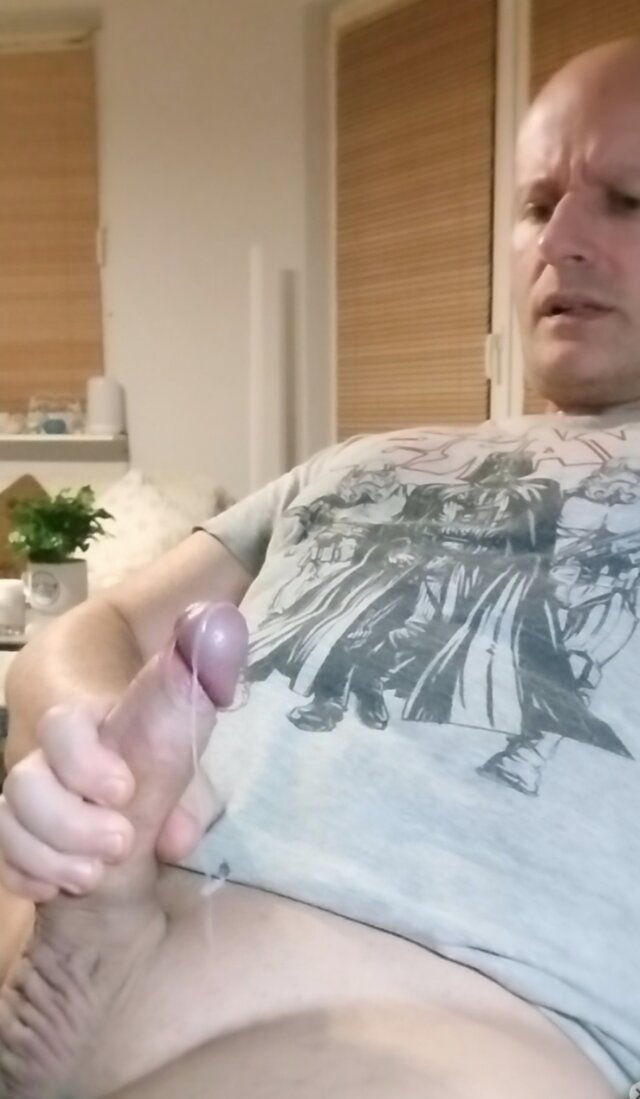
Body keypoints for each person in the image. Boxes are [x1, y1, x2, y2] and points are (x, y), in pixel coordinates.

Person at [1, 35, 640, 1099]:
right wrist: (97, 766)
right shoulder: (360, 459)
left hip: (426, 1021)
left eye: (629, 201)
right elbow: (89, 630)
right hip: (78, 900)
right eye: (536, 205)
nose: (560, 242)